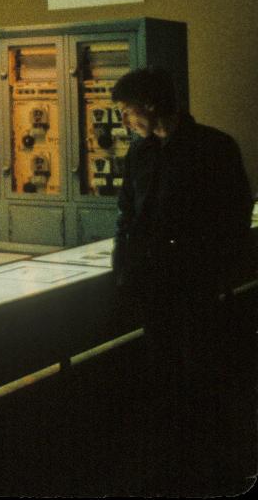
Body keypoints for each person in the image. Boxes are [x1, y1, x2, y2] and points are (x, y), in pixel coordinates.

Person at [110, 66, 255, 494]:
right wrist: (124, 264)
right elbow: (127, 212)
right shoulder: (140, 153)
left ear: (150, 106)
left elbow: (234, 216)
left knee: (203, 380)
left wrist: (212, 272)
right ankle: (176, 466)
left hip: (194, 287)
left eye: (127, 110)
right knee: (165, 378)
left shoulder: (213, 147)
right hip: (154, 287)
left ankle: (213, 470)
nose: (125, 121)